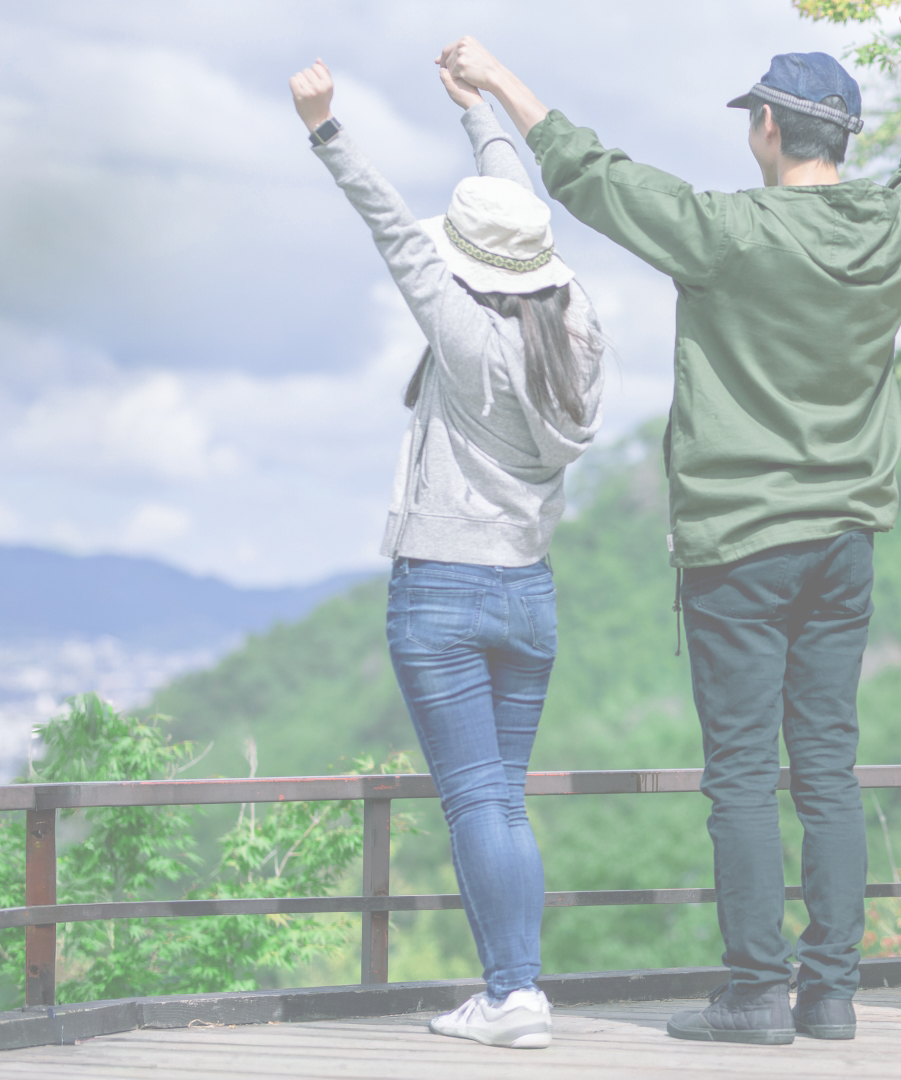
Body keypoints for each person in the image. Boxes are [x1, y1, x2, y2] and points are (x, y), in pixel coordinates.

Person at [436, 19, 901, 1046]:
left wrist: (493, 79)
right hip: (846, 540)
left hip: (741, 545)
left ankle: (757, 994)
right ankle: (834, 993)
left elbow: (595, 178)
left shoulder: (728, 234)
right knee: (827, 765)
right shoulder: (899, 234)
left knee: (743, 779)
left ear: (767, 128)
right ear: (839, 139)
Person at [289, 57, 606, 1048]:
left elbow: (393, 228)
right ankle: (510, 988)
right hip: (529, 594)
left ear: (471, 266)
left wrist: (326, 129)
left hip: (444, 593)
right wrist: (478, 116)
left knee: (477, 800)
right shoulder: (579, 323)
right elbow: (516, 204)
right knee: (499, 801)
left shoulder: (465, 334)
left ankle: (514, 993)